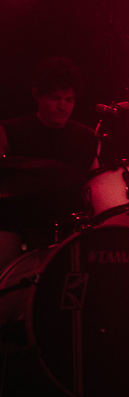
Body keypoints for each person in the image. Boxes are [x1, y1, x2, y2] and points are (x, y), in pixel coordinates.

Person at [0, 57, 97, 273]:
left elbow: (95, 188)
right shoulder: (8, 132)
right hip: (16, 221)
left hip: (68, 224)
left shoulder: (87, 138)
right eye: (55, 98)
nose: (62, 106)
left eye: (69, 100)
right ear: (37, 95)